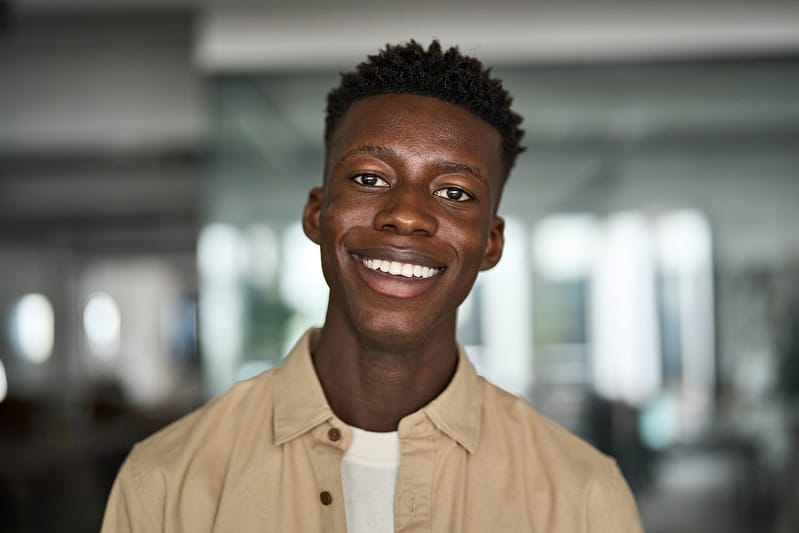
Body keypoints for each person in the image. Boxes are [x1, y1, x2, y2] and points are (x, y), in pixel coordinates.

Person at [101, 40, 644, 533]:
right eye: (369, 178)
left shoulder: (583, 498)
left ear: (491, 244)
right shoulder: (166, 483)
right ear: (317, 213)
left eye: (454, 192)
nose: (406, 216)